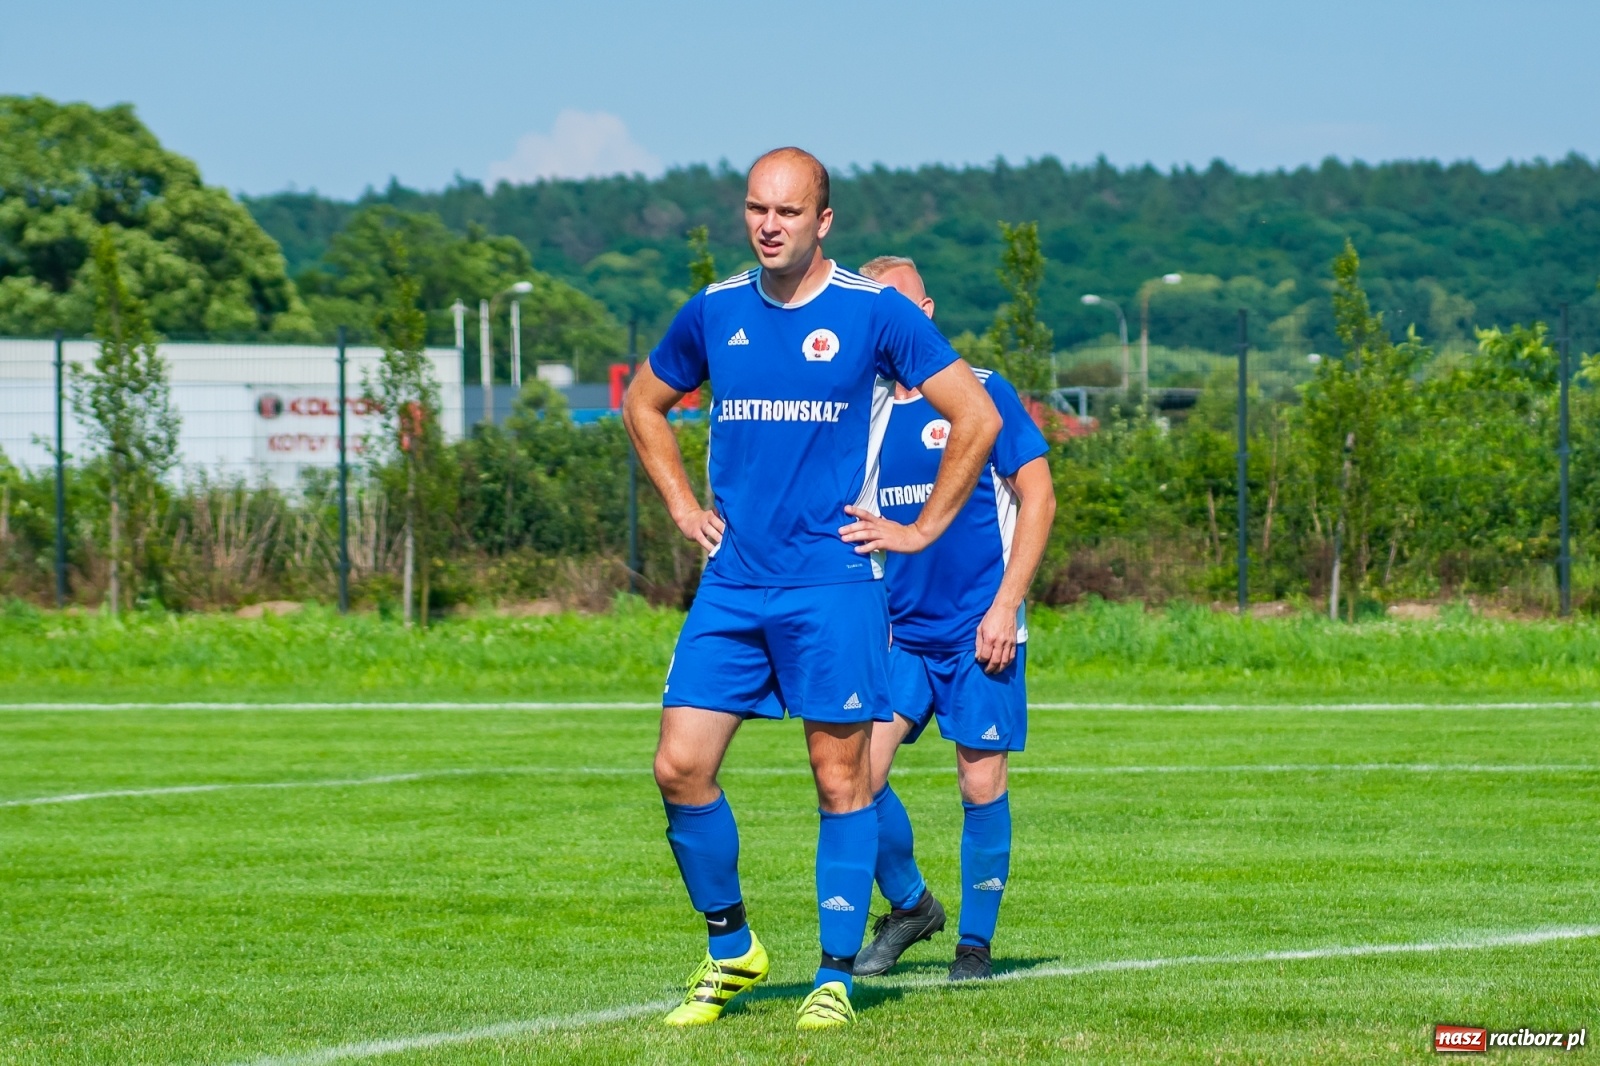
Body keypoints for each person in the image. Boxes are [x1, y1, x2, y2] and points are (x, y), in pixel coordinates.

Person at [622, 148, 1002, 1030]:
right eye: (757, 209)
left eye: (788, 213)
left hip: (832, 585)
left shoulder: (874, 314)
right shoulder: (715, 310)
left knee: (841, 780)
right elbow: (644, 403)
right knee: (678, 766)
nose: (769, 225)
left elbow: (973, 417)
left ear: (823, 222)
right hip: (734, 584)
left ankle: (834, 975)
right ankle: (732, 951)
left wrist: (919, 529)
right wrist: (682, 505)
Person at [845, 255, 1056, 982]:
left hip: (979, 632)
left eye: (902, 305)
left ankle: (974, 947)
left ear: (926, 311)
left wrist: (1006, 605)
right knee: (852, 775)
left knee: (979, 785)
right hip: (898, 635)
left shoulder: (985, 395)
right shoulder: (863, 414)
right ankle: (910, 905)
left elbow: (1041, 498)